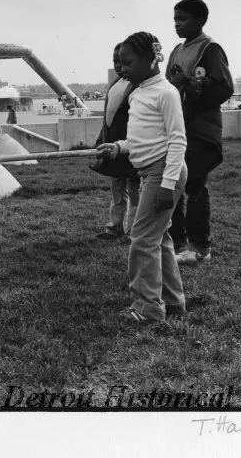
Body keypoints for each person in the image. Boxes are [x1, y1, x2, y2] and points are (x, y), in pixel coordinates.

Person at [96, 32, 188, 324]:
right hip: (150, 171)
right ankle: (174, 303)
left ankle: (147, 309)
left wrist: (168, 184)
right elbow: (141, 138)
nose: (122, 69)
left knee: (142, 239)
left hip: (163, 173)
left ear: (151, 59)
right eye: (120, 63)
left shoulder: (166, 92)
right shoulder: (137, 92)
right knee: (158, 239)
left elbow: (177, 141)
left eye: (129, 62)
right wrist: (119, 147)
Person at [165, 0, 233, 265]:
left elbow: (223, 88)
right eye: (175, 19)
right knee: (175, 184)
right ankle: (178, 242)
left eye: (182, 19)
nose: (177, 24)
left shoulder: (211, 49)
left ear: (200, 20)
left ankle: (200, 247)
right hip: (178, 128)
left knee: (194, 186)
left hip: (199, 129)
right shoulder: (176, 50)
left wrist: (194, 94)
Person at [96, 44, 139, 243]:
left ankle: (134, 231)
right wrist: (102, 140)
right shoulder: (115, 84)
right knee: (117, 191)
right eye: (115, 62)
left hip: (132, 149)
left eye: (123, 62)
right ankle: (114, 227)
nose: (119, 67)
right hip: (114, 148)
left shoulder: (139, 86)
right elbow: (108, 118)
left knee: (135, 191)